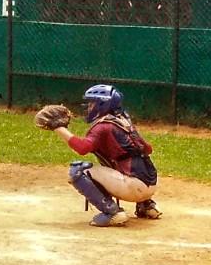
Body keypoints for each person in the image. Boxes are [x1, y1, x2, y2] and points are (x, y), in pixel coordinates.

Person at [43, 85, 162, 227]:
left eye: (92, 103)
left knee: (77, 171)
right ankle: (146, 206)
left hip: (134, 188)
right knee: (121, 160)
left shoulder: (103, 126)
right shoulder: (123, 120)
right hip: (152, 184)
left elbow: (83, 148)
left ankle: (112, 212)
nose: (89, 107)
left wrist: (59, 128)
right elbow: (147, 148)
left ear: (102, 104)